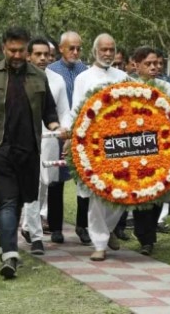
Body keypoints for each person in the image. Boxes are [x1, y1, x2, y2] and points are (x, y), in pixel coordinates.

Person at [0, 27, 62, 279]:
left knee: (21, 200)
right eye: (13, 50)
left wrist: (56, 127)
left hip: (29, 151)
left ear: (27, 51)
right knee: (7, 201)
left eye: (21, 50)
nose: (17, 55)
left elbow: (49, 112)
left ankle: (5, 243)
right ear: (3, 49)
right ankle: (10, 254)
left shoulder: (39, 77)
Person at [64, 33, 129, 261]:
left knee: (120, 193)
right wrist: (71, 138)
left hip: (121, 144)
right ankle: (99, 243)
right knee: (97, 194)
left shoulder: (123, 77)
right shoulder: (84, 78)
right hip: (94, 144)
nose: (108, 54)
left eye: (111, 49)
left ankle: (108, 229)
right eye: (104, 50)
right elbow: (77, 110)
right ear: (95, 51)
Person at [21, 38, 69, 252]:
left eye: (46, 55)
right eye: (38, 54)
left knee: (45, 182)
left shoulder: (57, 80)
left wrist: (63, 132)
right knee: (32, 183)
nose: (43, 59)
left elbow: (63, 111)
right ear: (28, 56)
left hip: (49, 139)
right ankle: (32, 229)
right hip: (25, 139)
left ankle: (29, 225)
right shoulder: (19, 78)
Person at [127, 46, 170, 255]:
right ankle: (145, 237)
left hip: (161, 146)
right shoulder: (126, 87)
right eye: (149, 64)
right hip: (136, 146)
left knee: (158, 193)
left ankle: (149, 234)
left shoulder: (168, 88)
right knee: (141, 194)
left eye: (157, 63)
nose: (154, 67)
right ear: (136, 65)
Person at [47, 31, 92, 245]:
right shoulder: (51, 72)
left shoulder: (87, 72)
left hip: (83, 135)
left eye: (78, 48)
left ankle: (82, 226)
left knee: (84, 181)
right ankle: (55, 227)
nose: (75, 52)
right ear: (60, 48)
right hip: (58, 133)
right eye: (70, 48)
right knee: (56, 181)